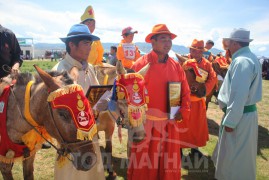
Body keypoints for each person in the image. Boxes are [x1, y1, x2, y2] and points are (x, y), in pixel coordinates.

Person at [129, 24, 191, 180]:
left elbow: (185, 92)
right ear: (153, 42)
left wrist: (182, 111)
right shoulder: (139, 65)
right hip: (146, 125)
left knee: (167, 164)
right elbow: (130, 96)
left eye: (169, 39)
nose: (167, 42)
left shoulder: (176, 66)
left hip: (169, 123)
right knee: (144, 164)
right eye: (163, 39)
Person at [52, 24, 105, 180]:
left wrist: (103, 101)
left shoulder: (88, 68)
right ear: (71, 44)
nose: (90, 48)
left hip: (90, 131)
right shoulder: (60, 71)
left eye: (90, 44)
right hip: (72, 140)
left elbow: (97, 92)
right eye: (86, 44)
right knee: (72, 173)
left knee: (92, 172)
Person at [212, 28, 262, 180]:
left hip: (239, 117)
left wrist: (231, 121)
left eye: (228, 43)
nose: (227, 46)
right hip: (244, 114)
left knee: (233, 158)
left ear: (234, 43)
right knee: (241, 156)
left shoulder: (241, 61)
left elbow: (239, 95)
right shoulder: (249, 57)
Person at [184, 39, 216, 156]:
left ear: (203, 51)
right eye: (194, 50)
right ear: (190, 49)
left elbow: (212, 78)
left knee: (196, 126)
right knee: (182, 125)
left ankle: (194, 148)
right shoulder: (183, 61)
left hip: (198, 101)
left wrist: (202, 89)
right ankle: (178, 148)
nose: (197, 53)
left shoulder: (207, 64)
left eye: (199, 50)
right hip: (184, 100)